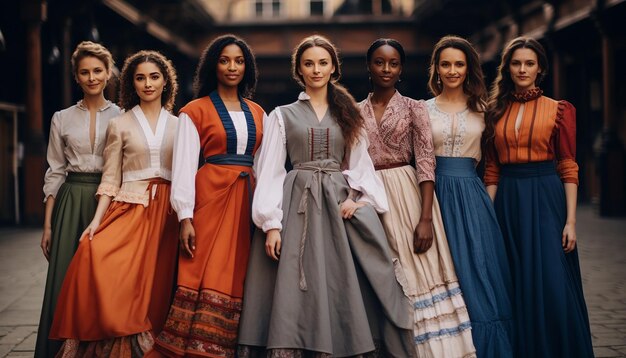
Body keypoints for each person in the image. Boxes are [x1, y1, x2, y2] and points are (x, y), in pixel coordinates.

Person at [237, 35, 414, 357]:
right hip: (296, 203)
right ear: (299, 71)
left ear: (334, 68)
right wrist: (271, 224)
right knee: (294, 279)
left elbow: (362, 166)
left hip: (336, 203)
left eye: (322, 63)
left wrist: (358, 199)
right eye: (309, 64)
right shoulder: (281, 115)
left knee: (338, 279)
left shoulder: (348, 113)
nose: (316, 70)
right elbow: (270, 171)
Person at [49, 50, 180, 356]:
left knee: (157, 285)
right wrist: (96, 222)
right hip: (131, 206)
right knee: (93, 254)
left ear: (166, 82)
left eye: (154, 77)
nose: (147, 84)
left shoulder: (181, 124)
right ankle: (118, 332)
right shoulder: (119, 124)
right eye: (140, 78)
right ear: (131, 84)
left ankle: (154, 340)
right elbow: (110, 179)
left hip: (169, 212)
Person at [358, 38, 476, 357]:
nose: (386, 69)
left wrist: (425, 218)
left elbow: (425, 161)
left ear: (401, 68)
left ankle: (431, 350)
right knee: (382, 275)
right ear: (369, 66)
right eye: (380, 62)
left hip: (409, 196)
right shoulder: (354, 112)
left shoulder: (415, 107)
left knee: (419, 272)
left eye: (394, 63)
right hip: (370, 198)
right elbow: (350, 165)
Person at [152, 35, 266, 357]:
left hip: (247, 199)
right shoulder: (194, 110)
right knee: (203, 269)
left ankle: (233, 346)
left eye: (239, 61)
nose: (232, 67)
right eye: (225, 60)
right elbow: (185, 166)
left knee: (241, 271)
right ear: (213, 65)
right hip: (209, 199)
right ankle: (196, 348)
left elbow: (265, 165)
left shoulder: (259, 112)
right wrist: (185, 217)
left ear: (248, 67)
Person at [484, 36, 594, 358]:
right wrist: (488, 216)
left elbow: (568, 166)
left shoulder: (559, 110)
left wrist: (571, 221)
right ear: (507, 68)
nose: (522, 69)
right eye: (516, 63)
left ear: (540, 68)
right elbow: (491, 170)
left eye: (529, 63)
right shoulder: (494, 111)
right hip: (508, 200)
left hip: (547, 197)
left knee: (552, 281)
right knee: (515, 280)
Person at [425, 35, 514, 357]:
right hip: (433, 198)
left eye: (459, 64)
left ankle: (488, 347)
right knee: (442, 272)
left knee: (479, 269)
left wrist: (486, 203)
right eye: (445, 64)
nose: (452, 70)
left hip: (473, 198)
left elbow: (493, 165)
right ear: (435, 68)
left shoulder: (484, 110)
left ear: (469, 68)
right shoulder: (421, 111)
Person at [35, 41, 121, 358]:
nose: (92, 77)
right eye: (84, 72)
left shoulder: (124, 115)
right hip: (71, 199)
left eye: (98, 70)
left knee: (105, 281)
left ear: (108, 72)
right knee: (63, 279)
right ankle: (57, 350)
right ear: (76, 76)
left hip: (111, 200)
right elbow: (55, 170)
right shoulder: (61, 118)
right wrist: (47, 226)